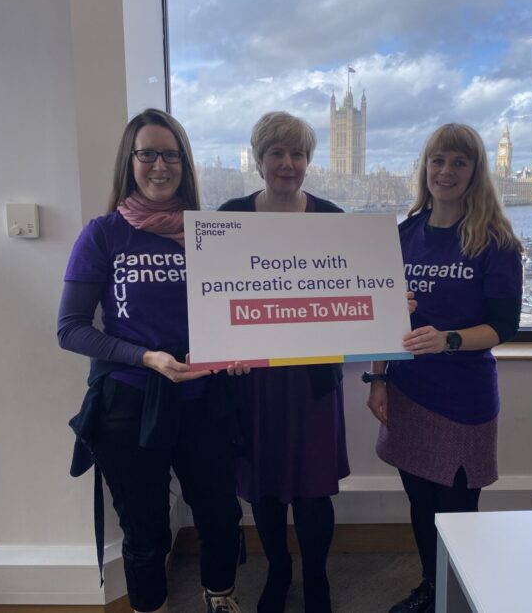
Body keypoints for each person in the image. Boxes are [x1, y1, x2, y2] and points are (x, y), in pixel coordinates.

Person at [58, 109, 245, 613]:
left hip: (206, 400)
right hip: (130, 403)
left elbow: (242, 307)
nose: (159, 165)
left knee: (222, 518)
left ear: (184, 162)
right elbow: (70, 328)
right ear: (130, 160)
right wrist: (144, 357)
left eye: (171, 154)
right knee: (145, 532)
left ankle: (220, 596)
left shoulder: (214, 234)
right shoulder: (103, 234)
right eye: (148, 154)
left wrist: (241, 353)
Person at [366, 123, 523, 613]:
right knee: (418, 502)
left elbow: (504, 326)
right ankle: (432, 587)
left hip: (463, 399)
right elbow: (383, 319)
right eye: (438, 160)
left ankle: (458, 595)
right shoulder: (403, 234)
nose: (446, 171)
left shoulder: (495, 241)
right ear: (425, 168)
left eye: (459, 162)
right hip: (409, 390)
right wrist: (378, 377)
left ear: (475, 171)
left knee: (457, 512)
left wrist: (447, 339)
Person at [219, 111, 349, 613]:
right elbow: (212, 300)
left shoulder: (332, 220)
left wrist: (382, 308)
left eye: (297, 154)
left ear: (309, 162)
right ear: (258, 160)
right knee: (265, 491)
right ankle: (279, 570)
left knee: (314, 493)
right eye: (277, 153)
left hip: (313, 383)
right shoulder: (228, 219)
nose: (287, 163)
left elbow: (351, 297)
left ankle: (317, 578)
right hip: (252, 384)